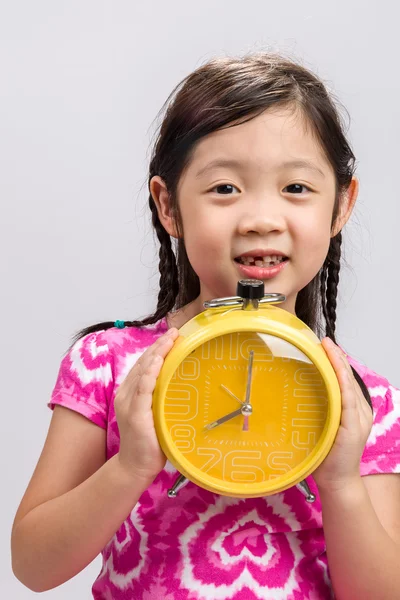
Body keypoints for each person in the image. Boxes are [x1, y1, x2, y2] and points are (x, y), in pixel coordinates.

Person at [11, 52, 400, 600]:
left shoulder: (365, 403)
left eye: (296, 189)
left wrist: (339, 483)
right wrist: (131, 466)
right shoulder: (108, 364)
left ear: (341, 206)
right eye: (224, 189)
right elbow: (32, 564)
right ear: (168, 205)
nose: (261, 218)